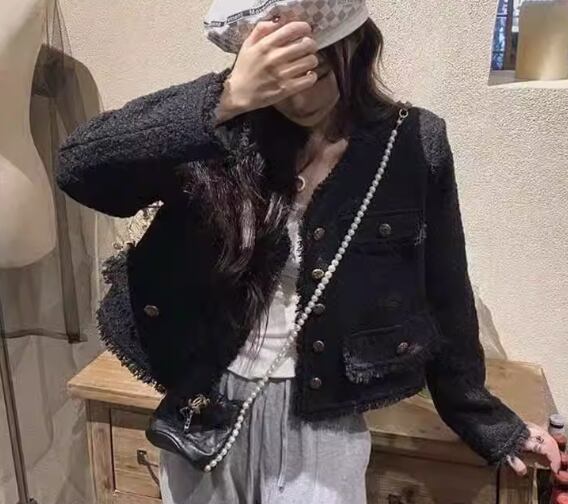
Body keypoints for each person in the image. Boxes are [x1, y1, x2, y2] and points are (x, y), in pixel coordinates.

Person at [56, 5, 560, 504]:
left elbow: (444, 289)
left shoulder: (410, 143)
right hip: (203, 400)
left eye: (315, 68)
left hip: (324, 415)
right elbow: (79, 167)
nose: (298, 96)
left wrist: (486, 421)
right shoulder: (220, 133)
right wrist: (224, 100)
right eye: (279, 74)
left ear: (356, 44)